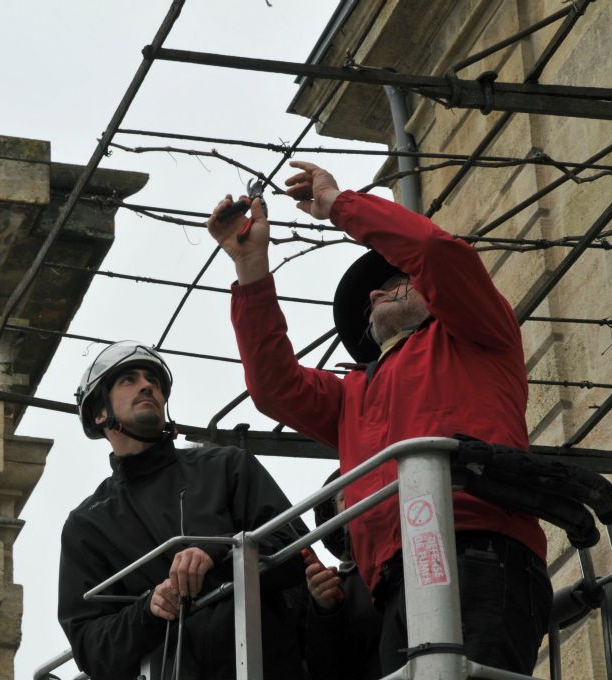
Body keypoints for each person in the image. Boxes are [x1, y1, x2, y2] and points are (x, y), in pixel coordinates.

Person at [207, 161, 552, 676]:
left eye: (396, 282)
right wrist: (251, 265)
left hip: (480, 549)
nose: (375, 293)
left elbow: (435, 252)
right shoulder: (353, 393)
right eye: (375, 294)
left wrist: (338, 205)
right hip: (392, 578)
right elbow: (272, 386)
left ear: (434, 295)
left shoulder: (475, 335)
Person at [57, 341, 307, 680]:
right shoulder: (88, 525)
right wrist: (149, 609)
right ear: (100, 413)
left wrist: (217, 552)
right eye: (129, 379)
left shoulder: (228, 466)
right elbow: (91, 646)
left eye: (153, 381)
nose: (147, 385)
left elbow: (296, 551)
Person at [303, 470, 381, 680]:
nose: (357, 498)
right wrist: (327, 611)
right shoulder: (341, 587)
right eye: (344, 496)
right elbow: (328, 669)